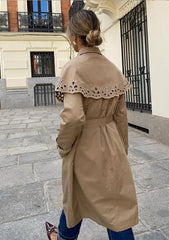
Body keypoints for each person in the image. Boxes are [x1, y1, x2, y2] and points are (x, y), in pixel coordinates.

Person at [45, 9, 139, 240]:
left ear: (75, 38)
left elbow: (74, 117)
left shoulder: (73, 67)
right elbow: (120, 117)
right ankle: (62, 234)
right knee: (116, 209)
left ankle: (64, 237)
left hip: (83, 145)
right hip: (111, 143)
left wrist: (63, 145)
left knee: (75, 196)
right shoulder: (112, 69)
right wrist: (121, 149)